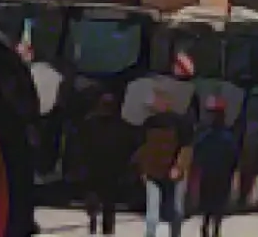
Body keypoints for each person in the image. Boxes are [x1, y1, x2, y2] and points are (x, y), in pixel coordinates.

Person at [132, 90, 194, 237]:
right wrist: (143, 170)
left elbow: (186, 148)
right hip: (155, 172)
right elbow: (142, 150)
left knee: (175, 211)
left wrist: (178, 166)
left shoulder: (178, 123)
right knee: (154, 214)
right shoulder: (149, 123)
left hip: (172, 172)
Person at [73, 92, 137, 234]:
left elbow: (79, 146)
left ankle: (97, 222)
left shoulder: (89, 124)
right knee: (107, 201)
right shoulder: (120, 125)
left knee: (100, 198)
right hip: (106, 168)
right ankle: (103, 227)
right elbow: (129, 147)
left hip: (99, 167)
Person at [191, 97, 238, 237]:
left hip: (209, 171)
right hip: (222, 172)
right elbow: (233, 155)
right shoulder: (228, 135)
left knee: (208, 201)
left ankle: (206, 227)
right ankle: (215, 229)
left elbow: (198, 153)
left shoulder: (204, 134)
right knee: (219, 202)